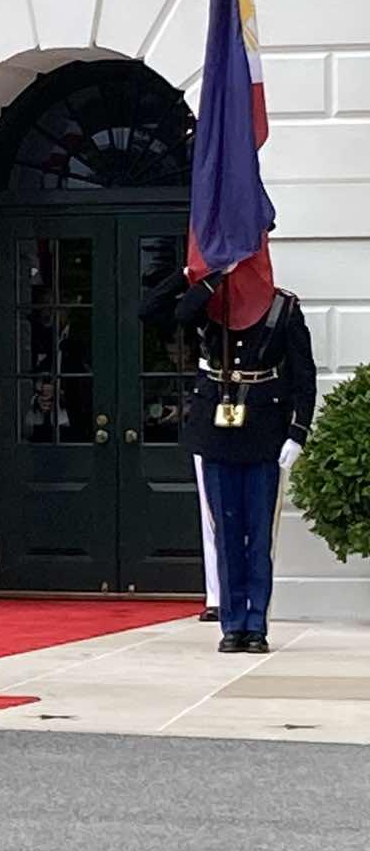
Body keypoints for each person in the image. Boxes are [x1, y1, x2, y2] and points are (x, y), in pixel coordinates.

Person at [140, 264, 317, 654]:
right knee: (226, 533)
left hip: (264, 431)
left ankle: (256, 623)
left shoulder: (283, 308)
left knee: (258, 536)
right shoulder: (207, 303)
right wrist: (196, 273)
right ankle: (232, 623)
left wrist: (297, 432)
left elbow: (304, 376)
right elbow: (152, 311)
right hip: (215, 433)